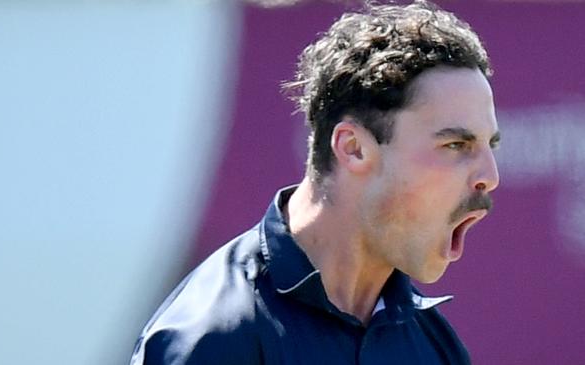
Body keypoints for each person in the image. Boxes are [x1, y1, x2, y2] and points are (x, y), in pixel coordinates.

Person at [131, 1, 500, 364]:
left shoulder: (434, 345)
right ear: (353, 148)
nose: (490, 177)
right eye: (455, 145)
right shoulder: (213, 338)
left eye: (491, 145)